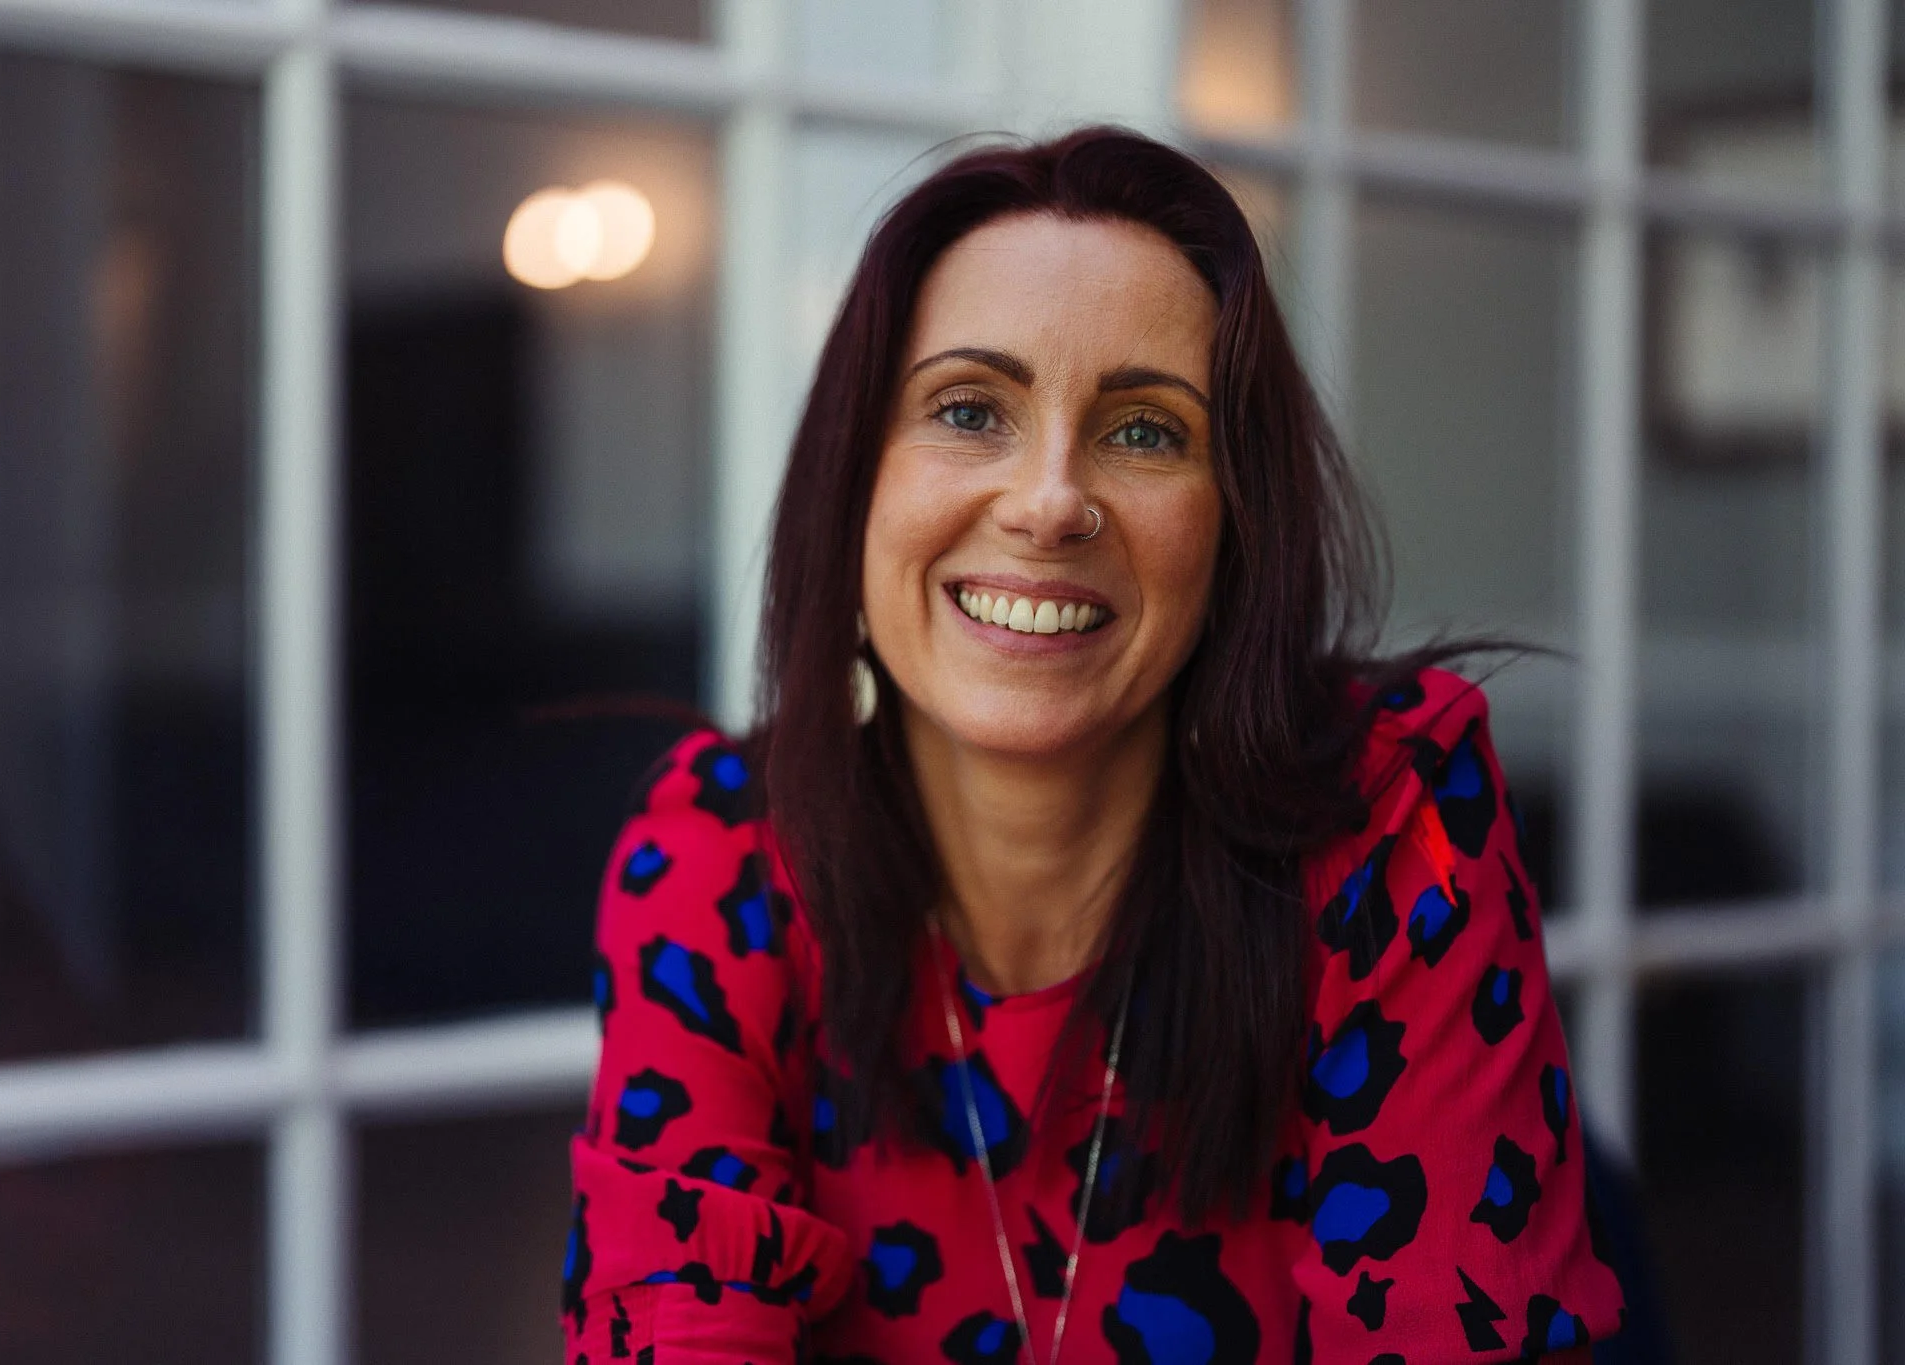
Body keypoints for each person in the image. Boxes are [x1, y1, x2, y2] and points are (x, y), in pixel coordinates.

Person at [561, 127, 1622, 1363]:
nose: (1049, 500)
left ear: (1236, 529)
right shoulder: (716, 858)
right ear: (853, 483)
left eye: (1144, 431)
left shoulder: (1389, 819)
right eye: (969, 409)